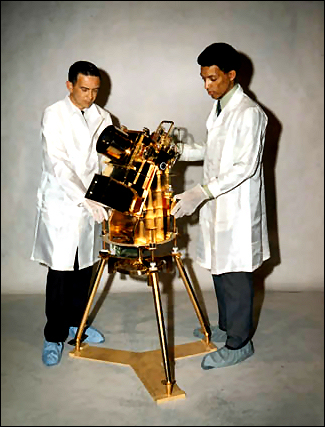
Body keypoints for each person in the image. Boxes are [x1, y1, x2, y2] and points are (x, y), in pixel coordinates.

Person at [171, 43, 270, 369]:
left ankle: (239, 343)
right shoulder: (219, 109)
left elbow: (244, 167)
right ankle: (227, 327)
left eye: (213, 78)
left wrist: (200, 192)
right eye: (203, 79)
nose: (207, 86)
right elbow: (211, 149)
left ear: (231, 75)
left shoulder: (249, 113)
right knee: (219, 269)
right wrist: (179, 150)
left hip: (237, 208)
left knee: (236, 275)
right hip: (218, 204)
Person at [31, 61, 113, 366]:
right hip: (63, 205)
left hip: (91, 206)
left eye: (95, 90)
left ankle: (79, 326)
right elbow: (58, 163)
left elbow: (107, 159)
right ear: (69, 85)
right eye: (84, 89)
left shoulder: (103, 116)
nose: (90, 96)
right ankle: (54, 336)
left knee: (85, 269)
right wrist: (85, 198)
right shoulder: (54, 114)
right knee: (61, 273)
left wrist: (106, 194)